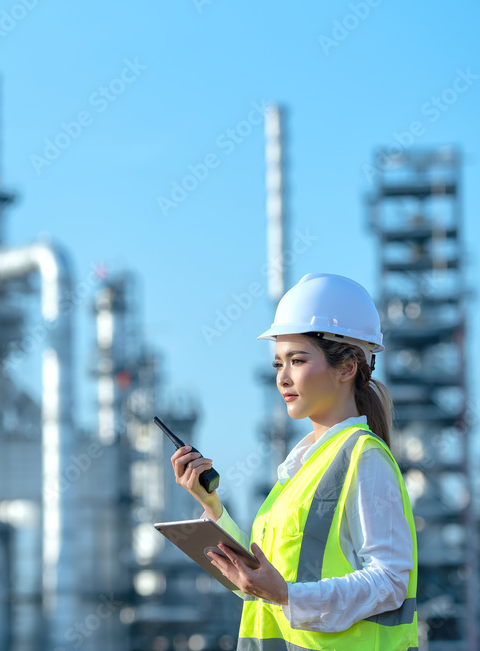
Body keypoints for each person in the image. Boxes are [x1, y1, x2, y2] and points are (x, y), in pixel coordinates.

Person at [170, 273, 418, 650]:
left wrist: (288, 595)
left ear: (347, 368)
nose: (283, 378)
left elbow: (391, 581)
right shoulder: (300, 468)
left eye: (297, 360)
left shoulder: (363, 458)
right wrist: (211, 505)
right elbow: (262, 586)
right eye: (277, 364)